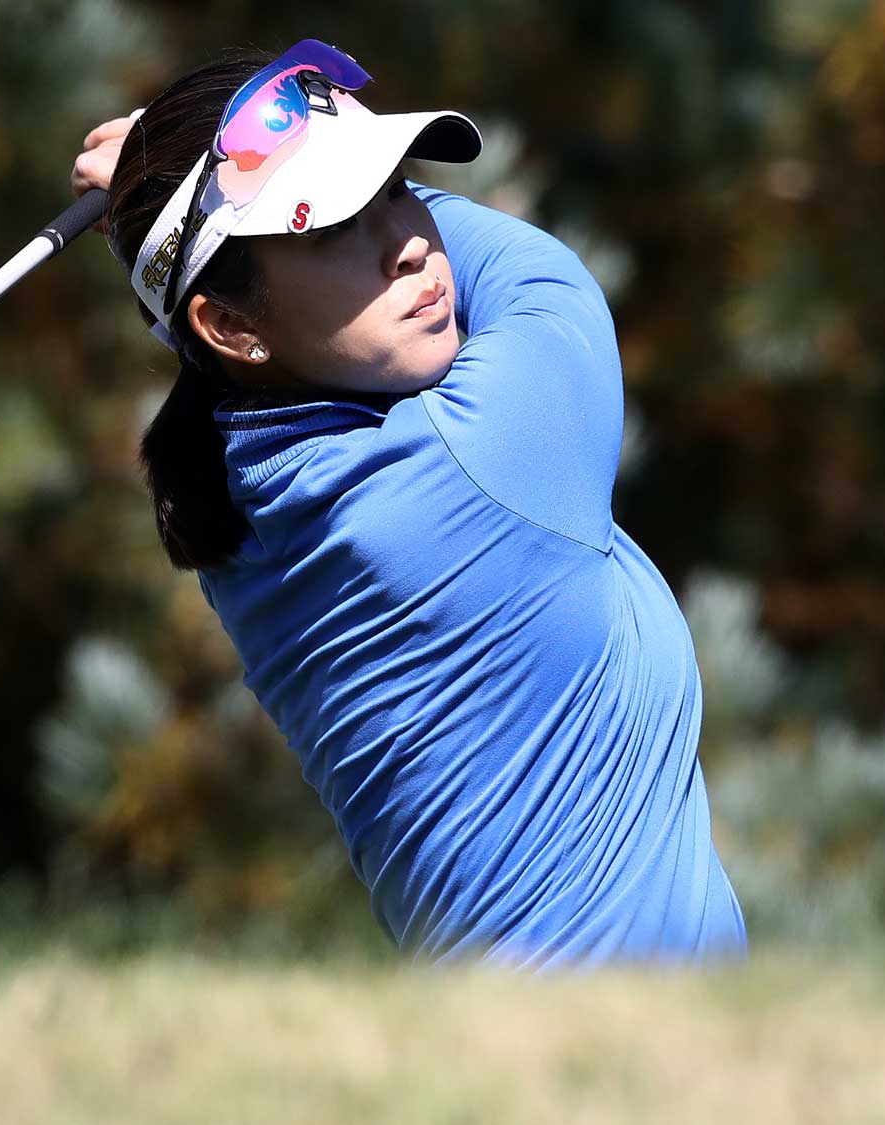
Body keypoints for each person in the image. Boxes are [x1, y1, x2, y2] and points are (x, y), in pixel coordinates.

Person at [69, 40, 746, 969]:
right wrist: (164, 190)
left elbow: (237, 344)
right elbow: (544, 278)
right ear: (231, 325)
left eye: (396, 188)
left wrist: (168, 209)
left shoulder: (244, 501)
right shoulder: (478, 461)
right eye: (331, 226)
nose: (413, 243)